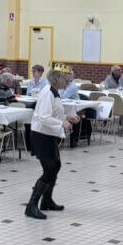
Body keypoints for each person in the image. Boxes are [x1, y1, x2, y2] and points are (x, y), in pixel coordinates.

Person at [24, 66, 80, 220]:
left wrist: (67, 118)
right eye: (67, 81)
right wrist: (62, 124)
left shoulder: (54, 92)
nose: (68, 84)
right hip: (41, 135)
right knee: (49, 170)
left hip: (48, 135)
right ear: (59, 79)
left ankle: (47, 201)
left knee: (56, 166)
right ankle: (31, 205)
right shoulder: (48, 93)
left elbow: (53, 113)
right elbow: (43, 117)